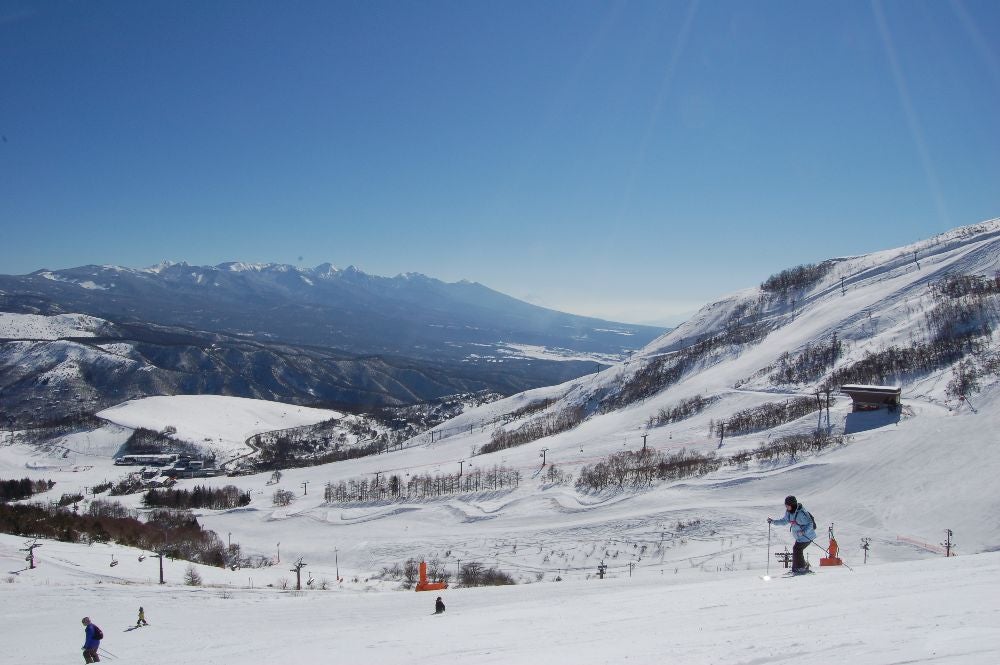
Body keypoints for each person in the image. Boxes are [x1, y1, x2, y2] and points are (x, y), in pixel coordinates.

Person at [767, 495, 816, 573]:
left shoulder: (801, 514)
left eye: (787, 505)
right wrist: (773, 521)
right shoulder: (789, 512)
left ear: (792, 505)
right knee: (797, 549)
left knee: (797, 549)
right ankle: (796, 568)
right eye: (786, 505)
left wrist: (804, 532)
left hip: (807, 536)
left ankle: (801, 567)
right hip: (800, 537)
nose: (786, 507)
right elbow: (784, 521)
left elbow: (810, 524)